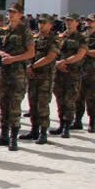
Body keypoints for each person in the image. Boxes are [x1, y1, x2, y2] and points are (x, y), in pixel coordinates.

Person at [0, 2, 35, 150]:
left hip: (17, 72)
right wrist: (0, 53)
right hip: (3, 71)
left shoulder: (25, 32)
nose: (11, 14)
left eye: (14, 12)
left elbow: (31, 53)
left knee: (14, 105)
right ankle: (3, 135)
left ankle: (13, 138)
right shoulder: (2, 30)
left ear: (21, 14)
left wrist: (13, 59)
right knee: (3, 102)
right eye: (9, 11)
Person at [20, 14, 60, 144]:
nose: (41, 24)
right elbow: (29, 53)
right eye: (39, 22)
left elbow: (50, 57)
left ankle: (43, 132)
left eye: (44, 22)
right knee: (32, 103)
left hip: (45, 76)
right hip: (32, 75)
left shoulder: (54, 39)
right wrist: (28, 66)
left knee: (42, 104)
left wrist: (32, 66)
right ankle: (34, 130)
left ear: (50, 25)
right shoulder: (34, 38)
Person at [50, 13, 87, 138]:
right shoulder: (59, 37)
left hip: (72, 73)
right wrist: (57, 63)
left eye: (71, 21)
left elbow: (80, 54)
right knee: (60, 99)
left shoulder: (81, 38)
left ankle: (67, 126)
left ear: (77, 22)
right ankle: (61, 124)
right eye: (67, 20)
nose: (69, 23)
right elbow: (52, 52)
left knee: (70, 100)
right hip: (59, 73)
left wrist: (64, 62)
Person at [76, 13, 95, 132]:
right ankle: (78, 120)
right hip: (80, 70)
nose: (88, 23)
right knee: (78, 96)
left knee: (91, 97)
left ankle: (92, 122)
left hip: (93, 72)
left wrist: (84, 51)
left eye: (92, 21)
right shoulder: (81, 36)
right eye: (88, 21)